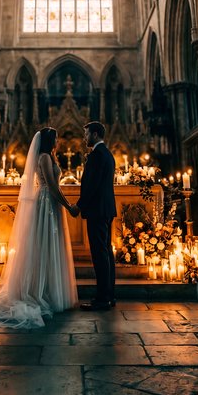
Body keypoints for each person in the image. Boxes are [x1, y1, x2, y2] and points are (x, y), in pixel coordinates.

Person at [0, 128, 78, 329]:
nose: (59, 141)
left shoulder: (49, 156)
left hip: (51, 204)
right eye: (56, 138)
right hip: (47, 203)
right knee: (43, 244)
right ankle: (39, 291)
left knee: (48, 245)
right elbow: (52, 186)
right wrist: (68, 206)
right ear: (49, 141)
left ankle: (47, 288)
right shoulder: (45, 157)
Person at [75, 121, 117, 311]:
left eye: (86, 134)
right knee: (106, 252)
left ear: (95, 134)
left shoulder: (97, 155)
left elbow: (92, 185)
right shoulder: (106, 154)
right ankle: (109, 295)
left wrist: (79, 206)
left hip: (98, 211)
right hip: (105, 209)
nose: (84, 138)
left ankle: (102, 299)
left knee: (100, 254)